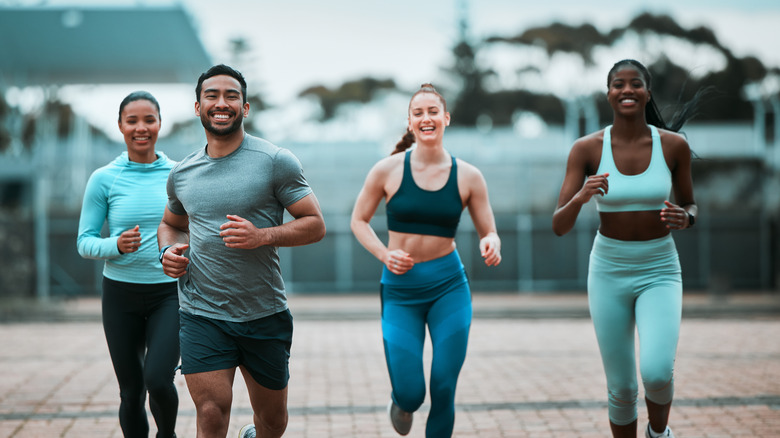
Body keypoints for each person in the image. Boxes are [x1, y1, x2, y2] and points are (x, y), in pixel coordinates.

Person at [157, 64, 326, 438]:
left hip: (263, 313)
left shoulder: (275, 161)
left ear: (245, 108)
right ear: (197, 106)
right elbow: (171, 224)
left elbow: (315, 224)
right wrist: (167, 252)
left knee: (272, 422)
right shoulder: (182, 173)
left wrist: (262, 236)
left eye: (231, 96)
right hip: (202, 312)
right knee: (211, 412)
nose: (222, 103)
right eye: (212, 96)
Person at [552, 59, 703, 438]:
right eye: (618, 85)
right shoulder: (586, 149)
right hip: (608, 271)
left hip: (659, 269)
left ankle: (659, 432)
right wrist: (582, 196)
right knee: (621, 387)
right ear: (608, 95)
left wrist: (687, 218)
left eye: (635, 84)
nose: (627, 90)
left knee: (656, 372)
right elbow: (558, 224)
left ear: (647, 93)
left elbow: (689, 203)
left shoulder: (673, 146)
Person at [350, 83, 502, 437]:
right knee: (411, 392)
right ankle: (401, 401)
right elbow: (358, 220)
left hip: (449, 286)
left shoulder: (469, 176)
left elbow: (489, 230)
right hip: (401, 290)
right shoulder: (386, 170)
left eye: (433, 111)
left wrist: (491, 243)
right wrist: (385, 254)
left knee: (444, 387)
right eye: (418, 113)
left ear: (446, 118)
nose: (426, 118)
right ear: (409, 122)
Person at [77, 91, 180, 438]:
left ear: (159, 124)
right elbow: (84, 241)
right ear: (120, 126)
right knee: (131, 392)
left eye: (149, 119)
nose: (141, 128)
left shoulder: (179, 174)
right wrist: (116, 245)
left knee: (158, 380)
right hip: (120, 296)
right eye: (132, 120)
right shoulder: (104, 178)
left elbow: (194, 229)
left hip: (170, 294)